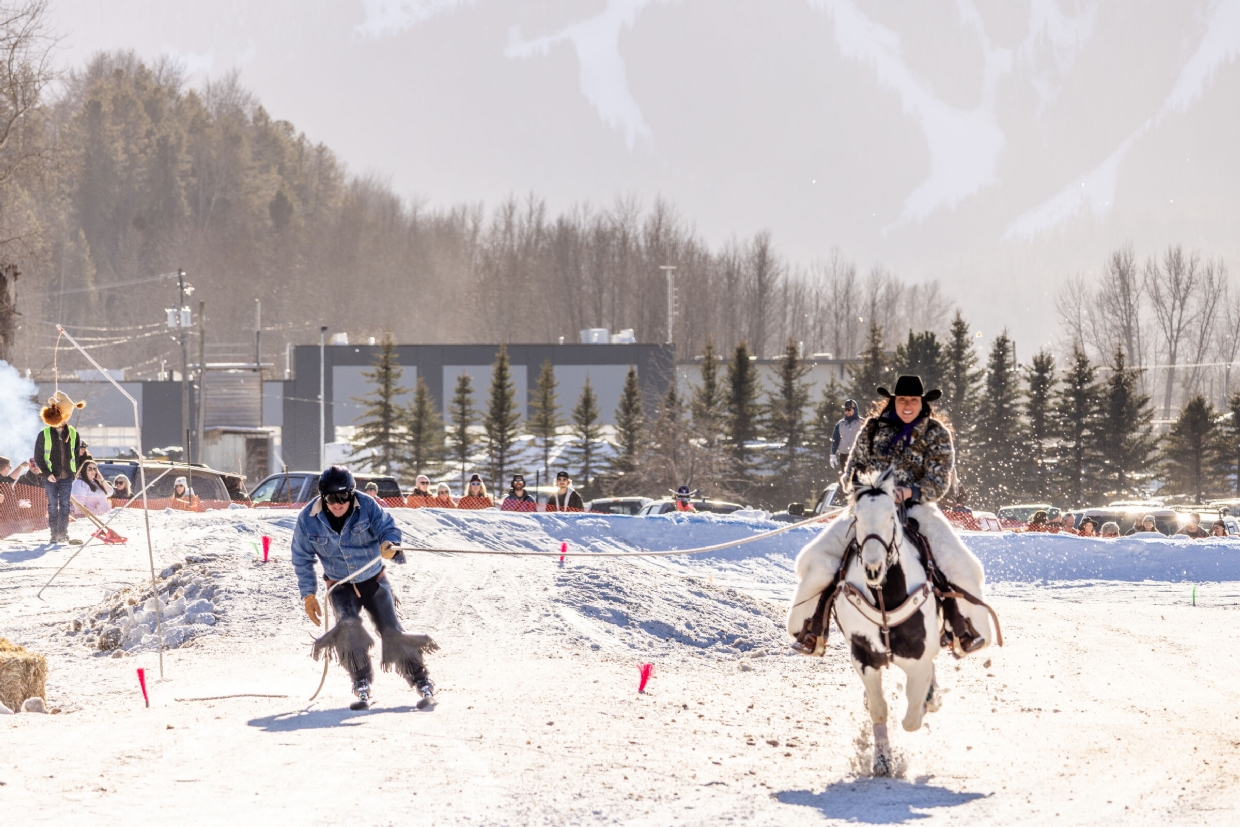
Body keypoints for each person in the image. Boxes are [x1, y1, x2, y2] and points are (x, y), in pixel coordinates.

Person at [788, 374, 992, 657]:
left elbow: (939, 481)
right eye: (902, 399)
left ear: (922, 403)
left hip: (917, 508)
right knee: (820, 556)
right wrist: (867, 491)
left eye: (913, 400)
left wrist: (907, 493)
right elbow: (849, 474)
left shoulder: (936, 433)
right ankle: (811, 628)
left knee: (956, 560)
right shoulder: (871, 429)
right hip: (870, 508)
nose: (907, 405)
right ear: (893, 401)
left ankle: (963, 627)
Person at [292, 466, 435, 709]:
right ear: (322, 497)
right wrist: (308, 594)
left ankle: (421, 679)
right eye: (330, 498)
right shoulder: (308, 520)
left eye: (343, 498)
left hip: (373, 580)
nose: (337, 504)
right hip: (339, 585)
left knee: (391, 630)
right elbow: (301, 558)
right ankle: (361, 681)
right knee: (348, 626)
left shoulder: (368, 506)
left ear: (352, 494)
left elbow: (387, 527)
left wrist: (390, 544)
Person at [34, 391, 90, 545]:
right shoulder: (43, 434)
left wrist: (74, 472)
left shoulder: (73, 433)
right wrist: (47, 473)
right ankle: (54, 533)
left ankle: (63, 533)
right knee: (52, 505)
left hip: (67, 476)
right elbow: (38, 456)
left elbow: (76, 455)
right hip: (50, 476)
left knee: (65, 504)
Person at [830, 399, 862, 473]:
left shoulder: (862, 422)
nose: (847, 412)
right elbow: (835, 440)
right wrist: (833, 454)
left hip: (857, 456)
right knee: (846, 477)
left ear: (855, 410)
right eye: (845, 410)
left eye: (849, 409)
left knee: (856, 478)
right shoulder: (840, 424)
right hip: (844, 455)